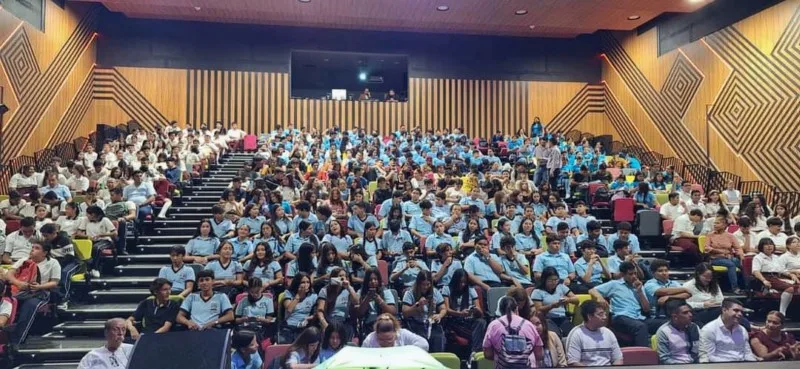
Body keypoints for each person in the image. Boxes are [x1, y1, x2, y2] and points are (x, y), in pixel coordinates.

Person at [7, 239, 61, 344]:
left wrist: (39, 287)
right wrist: (18, 283)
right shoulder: (24, 260)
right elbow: (9, 274)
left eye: (37, 248)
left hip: (40, 293)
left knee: (29, 307)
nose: (32, 250)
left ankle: (18, 340)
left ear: (45, 253)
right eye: (32, 247)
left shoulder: (53, 263)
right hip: (19, 291)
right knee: (6, 301)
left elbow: (55, 282)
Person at [589, 261, 655, 347]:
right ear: (623, 275)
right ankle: (643, 357)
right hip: (620, 317)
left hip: (638, 317)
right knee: (640, 327)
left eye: (635, 273)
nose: (634, 276)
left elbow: (646, 309)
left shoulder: (639, 286)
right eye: (630, 274)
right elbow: (592, 290)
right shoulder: (614, 284)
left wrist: (640, 292)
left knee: (664, 323)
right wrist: (599, 297)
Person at [483, 295, 544, 369]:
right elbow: (539, 355)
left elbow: (487, 354)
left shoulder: (493, 325)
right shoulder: (529, 325)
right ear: (517, 308)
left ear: (500, 310)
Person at [441, 268, 487, 354]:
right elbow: (446, 309)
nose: (462, 284)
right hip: (454, 320)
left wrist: (476, 310)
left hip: (468, 320)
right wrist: (459, 314)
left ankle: (474, 352)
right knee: (477, 333)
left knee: (481, 322)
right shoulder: (447, 289)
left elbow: (480, 312)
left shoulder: (471, 290)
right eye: (460, 282)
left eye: (464, 282)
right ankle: (475, 351)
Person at [565, 300, 623, 366]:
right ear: (589, 316)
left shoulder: (608, 333)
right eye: (600, 314)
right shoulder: (576, 334)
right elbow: (573, 362)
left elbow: (618, 359)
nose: (605, 317)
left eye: (605, 314)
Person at [699, 298, 758, 362]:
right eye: (736, 310)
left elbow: (746, 353)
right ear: (724, 310)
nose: (740, 314)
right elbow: (708, 357)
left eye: (741, 311)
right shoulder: (709, 330)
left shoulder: (741, 330)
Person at [401, 270, 447, 352]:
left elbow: (443, 309)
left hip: (431, 323)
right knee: (421, 340)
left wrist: (439, 315)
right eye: (423, 284)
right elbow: (405, 312)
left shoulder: (435, 292)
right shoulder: (410, 293)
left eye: (428, 284)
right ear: (418, 283)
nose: (425, 287)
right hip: (416, 323)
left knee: (439, 337)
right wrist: (417, 306)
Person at [752, 238, 800, 316]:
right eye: (766, 245)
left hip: (777, 277)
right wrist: (764, 280)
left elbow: (781, 270)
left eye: (771, 244)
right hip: (766, 277)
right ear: (761, 247)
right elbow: (755, 271)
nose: (769, 246)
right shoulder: (758, 257)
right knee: (790, 288)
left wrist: (790, 274)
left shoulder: (776, 257)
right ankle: (782, 313)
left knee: (797, 286)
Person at [532, 266, 578, 337]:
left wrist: (568, 300)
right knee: (555, 335)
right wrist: (551, 306)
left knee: (573, 334)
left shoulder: (561, 287)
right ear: (544, 280)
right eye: (550, 280)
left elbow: (576, 300)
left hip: (563, 318)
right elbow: (538, 309)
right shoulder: (537, 292)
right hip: (548, 319)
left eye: (556, 280)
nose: (554, 282)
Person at [706, 215, 746, 294]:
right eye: (714, 223)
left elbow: (738, 248)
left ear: (724, 225)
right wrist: (720, 252)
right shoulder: (710, 235)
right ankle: (735, 288)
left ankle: (746, 287)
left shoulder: (730, 236)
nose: (714, 225)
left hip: (729, 257)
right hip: (715, 258)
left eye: (717, 223)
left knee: (743, 264)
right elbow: (707, 248)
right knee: (730, 264)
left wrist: (741, 256)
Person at [655, 300, 700, 364]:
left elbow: (700, 350)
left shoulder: (694, 327)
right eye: (685, 313)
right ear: (675, 317)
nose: (690, 315)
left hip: (695, 364)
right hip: (675, 365)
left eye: (690, 312)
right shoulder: (664, 332)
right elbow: (664, 358)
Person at [279, 272, 318, 343]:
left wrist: (311, 317)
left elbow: (317, 312)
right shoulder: (288, 293)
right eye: (303, 282)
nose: (306, 285)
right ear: (297, 283)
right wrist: (298, 295)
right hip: (289, 326)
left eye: (308, 282)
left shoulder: (313, 296)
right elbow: (289, 310)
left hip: (304, 327)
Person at [361, 313, 429, 350]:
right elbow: (362, 357)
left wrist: (404, 351)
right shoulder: (370, 339)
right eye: (381, 339)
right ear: (376, 333)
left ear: (395, 332)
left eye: (389, 339)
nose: (386, 343)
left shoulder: (403, 333)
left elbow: (424, 344)